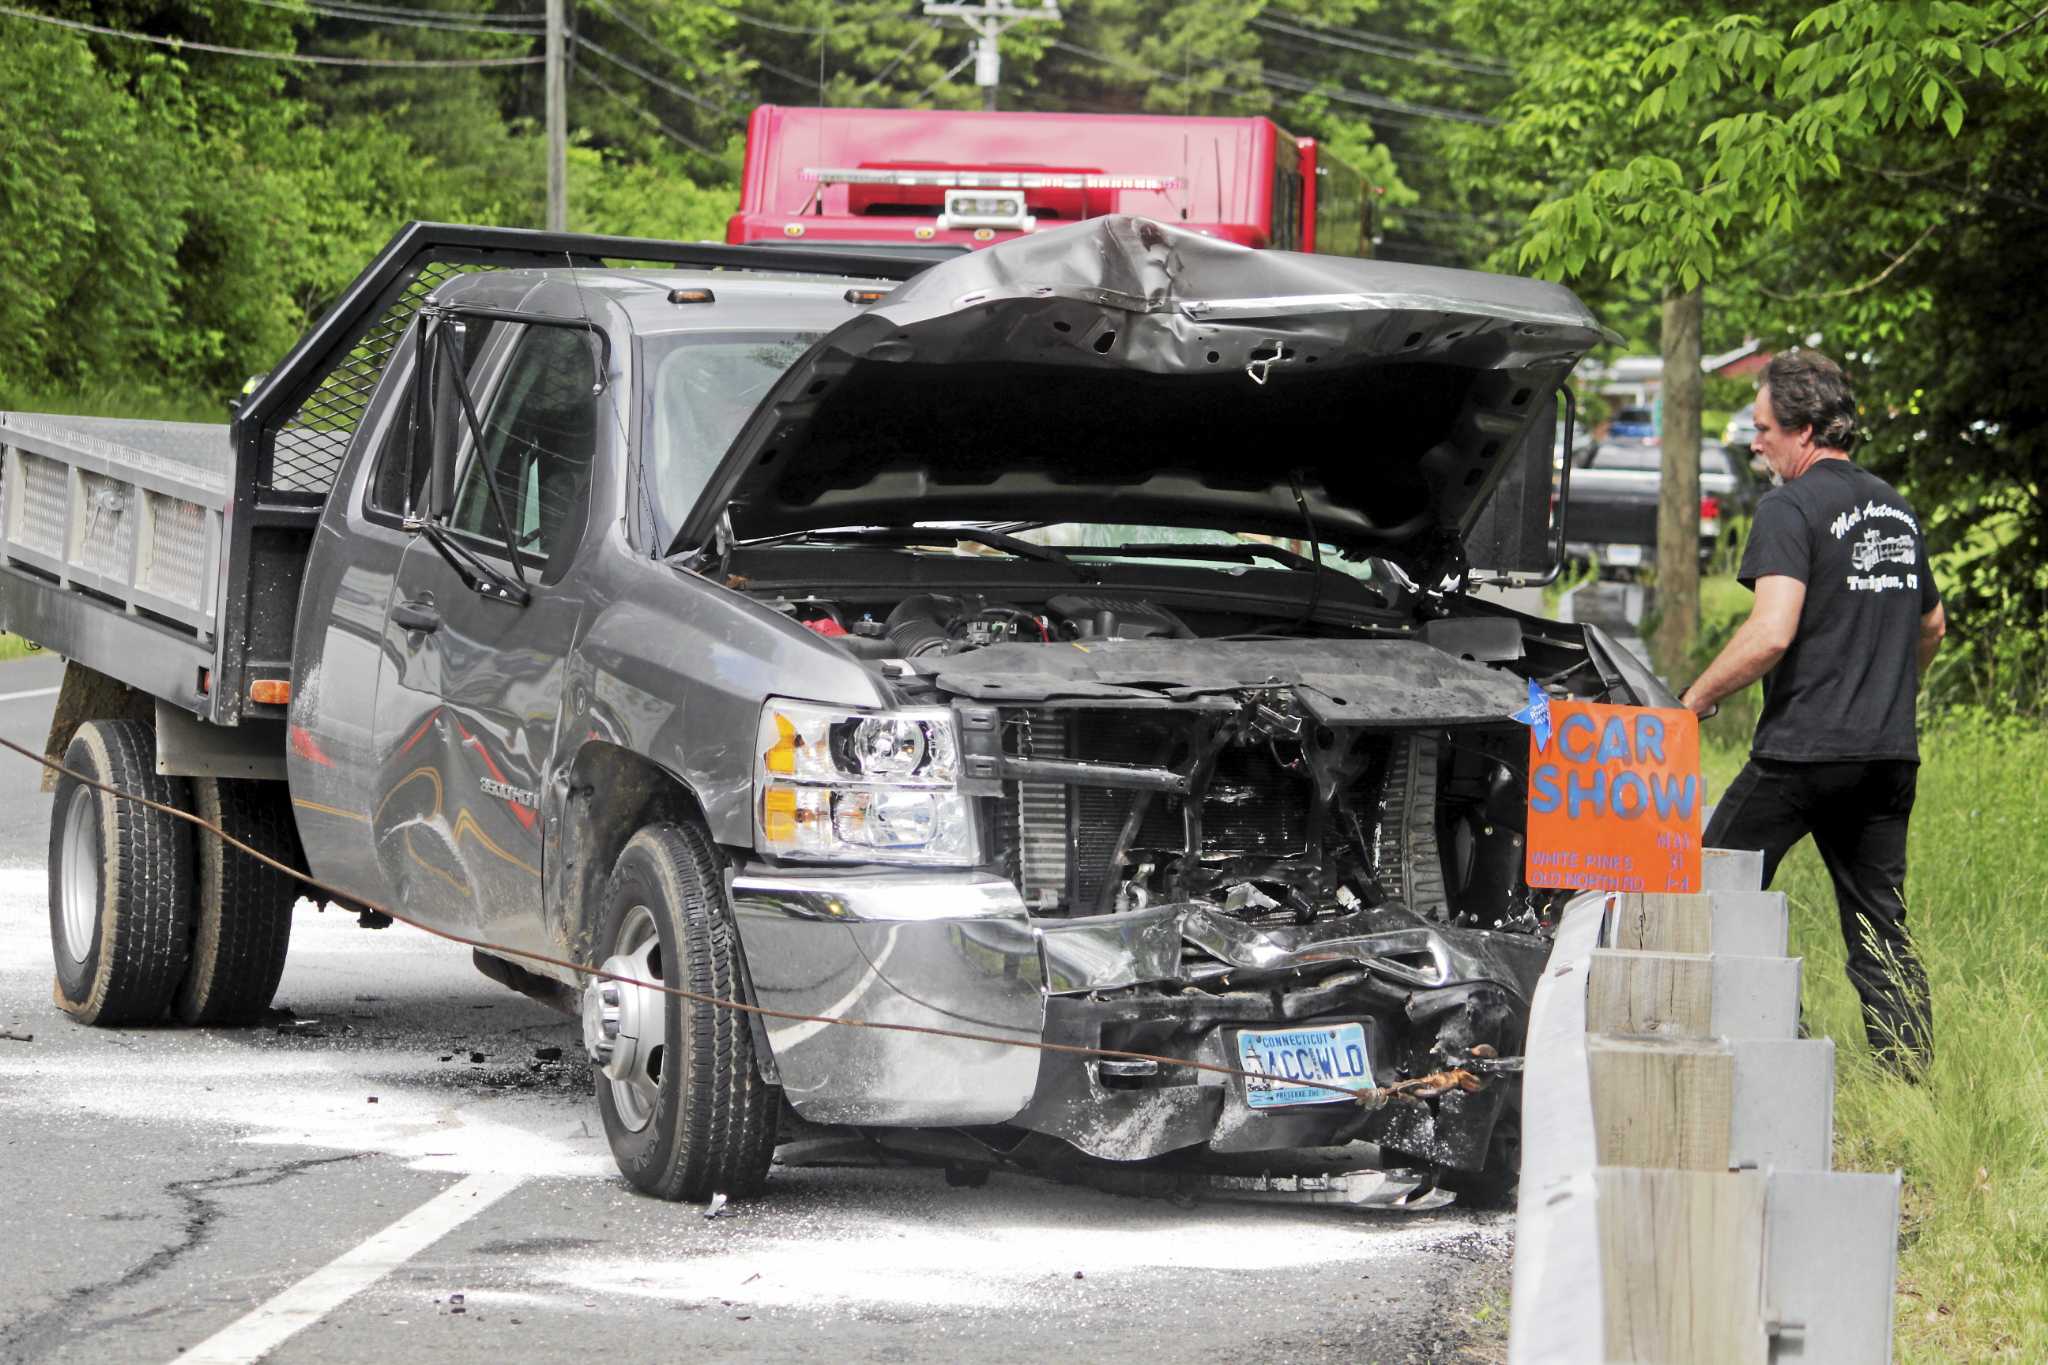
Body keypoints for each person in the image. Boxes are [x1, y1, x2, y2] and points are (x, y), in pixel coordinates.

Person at [1679, 350, 1944, 1071]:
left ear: (1802, 431)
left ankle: (1778, 1047)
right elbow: (1932, 625)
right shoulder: (1895, 508)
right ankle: (1909, 1080)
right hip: (1887, 755)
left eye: (1763, 429)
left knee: (1706, 887)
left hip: (1803, 755)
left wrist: (1695, 699)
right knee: (1881, 927)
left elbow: (1771, 631)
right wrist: (1889, 692)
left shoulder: (1788, 507)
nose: (1755, 443)